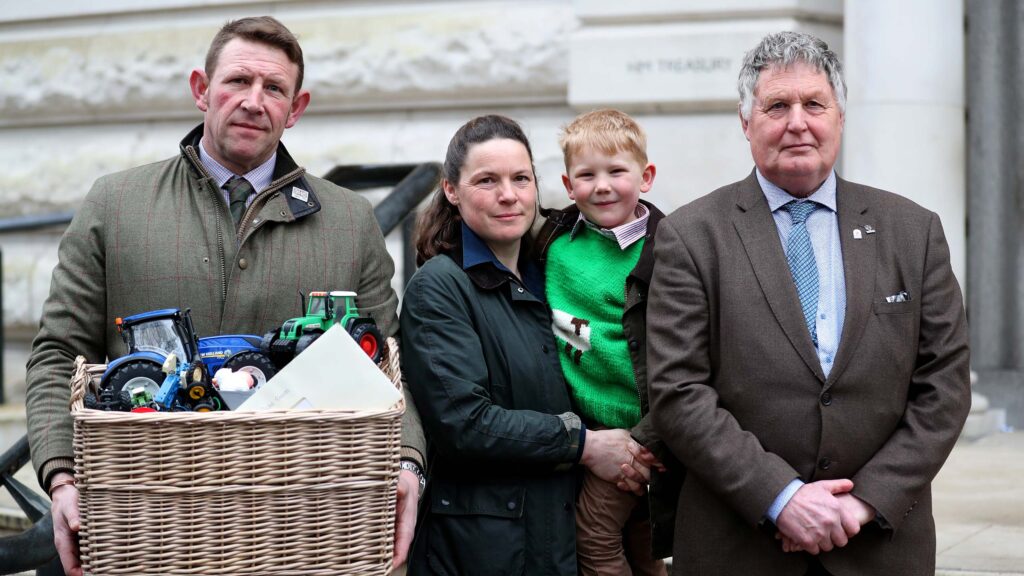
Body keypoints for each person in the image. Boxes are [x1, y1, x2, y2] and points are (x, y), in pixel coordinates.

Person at [24, 16, 426, 576]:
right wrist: (61, 475)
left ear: (297, 107)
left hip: (300, 525)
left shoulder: (349, 221)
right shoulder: (114, 204)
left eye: (275, 89)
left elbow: (388, 367)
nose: (254, 102)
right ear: (201, 90)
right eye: (237, 81)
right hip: (145, 521)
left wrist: (407, 463)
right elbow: (56, 354)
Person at [646, 31, 971, 575]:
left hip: (878, 545)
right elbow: (678, 393)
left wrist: (863, 502)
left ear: (840, 118)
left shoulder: (913, 232)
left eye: (814, 104)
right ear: (747, 123)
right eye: (777, 105)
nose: (798, 121)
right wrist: (782, 498)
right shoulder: (690, 236)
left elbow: (945, 386)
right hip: (740, 547)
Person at [399, 114, 650, 575]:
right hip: (483, 550)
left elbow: (596, 356)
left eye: (520, 178)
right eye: (486, 181)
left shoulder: (552, 275)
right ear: (452, 191)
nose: (508, 195)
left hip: (557, 536)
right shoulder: (441, 287)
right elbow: (464, 423)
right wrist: (584, 445)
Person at [534, 108, 672, 576]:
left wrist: (656, 435)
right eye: (586, 175)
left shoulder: (666, 249)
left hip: (643, 431)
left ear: (646, 176)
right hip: (587, 426)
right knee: (638, 536)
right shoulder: (554, 241)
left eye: (617, 171)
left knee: (593, 534)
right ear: (568, 185)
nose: (603, 186)